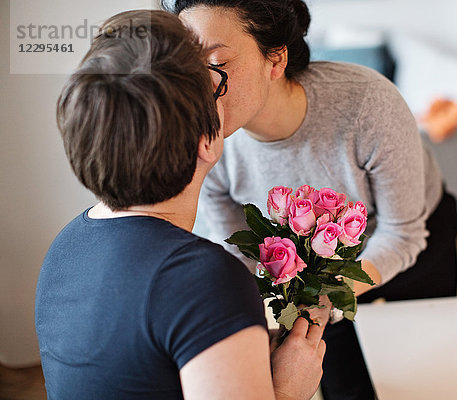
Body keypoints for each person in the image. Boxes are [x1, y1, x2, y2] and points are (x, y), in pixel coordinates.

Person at [163, 1, 457, 399]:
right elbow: (236, 250)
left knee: (425, 376)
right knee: (345, 387)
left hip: (413, 243)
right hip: (312, 277)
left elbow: (403, 234)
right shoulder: (208, 143)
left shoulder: (368, 105)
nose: (199, 84)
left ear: (276, 59)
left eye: (217, 62)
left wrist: (328, 296)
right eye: (188, 62)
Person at [35, 10, 327, 400]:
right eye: (213, 78)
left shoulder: (65, 247)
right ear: (206, 141)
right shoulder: (205, 280)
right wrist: (290, 390)